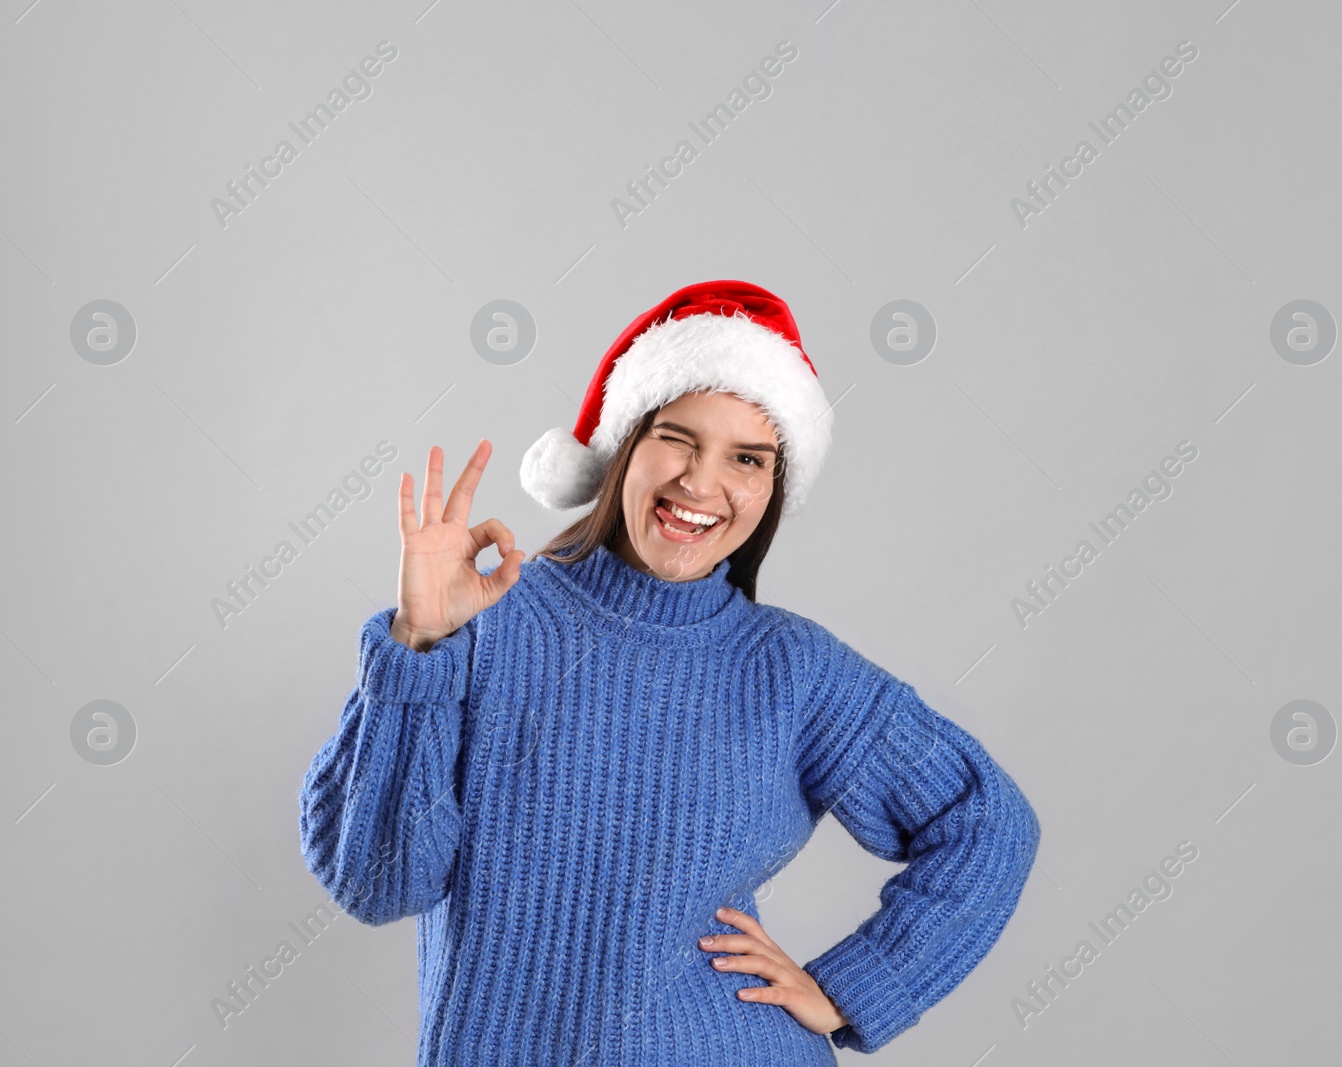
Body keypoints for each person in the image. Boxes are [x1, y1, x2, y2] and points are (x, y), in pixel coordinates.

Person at [299, 281, 1040, 1066]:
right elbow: (378, 883)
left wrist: (857, 986)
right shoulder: (486, 621)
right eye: (677, 438)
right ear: (624, 446)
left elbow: (988, 824)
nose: (701, 483)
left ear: (772, 487)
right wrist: (418, 641)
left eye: (747, 458)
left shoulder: (791, 668)